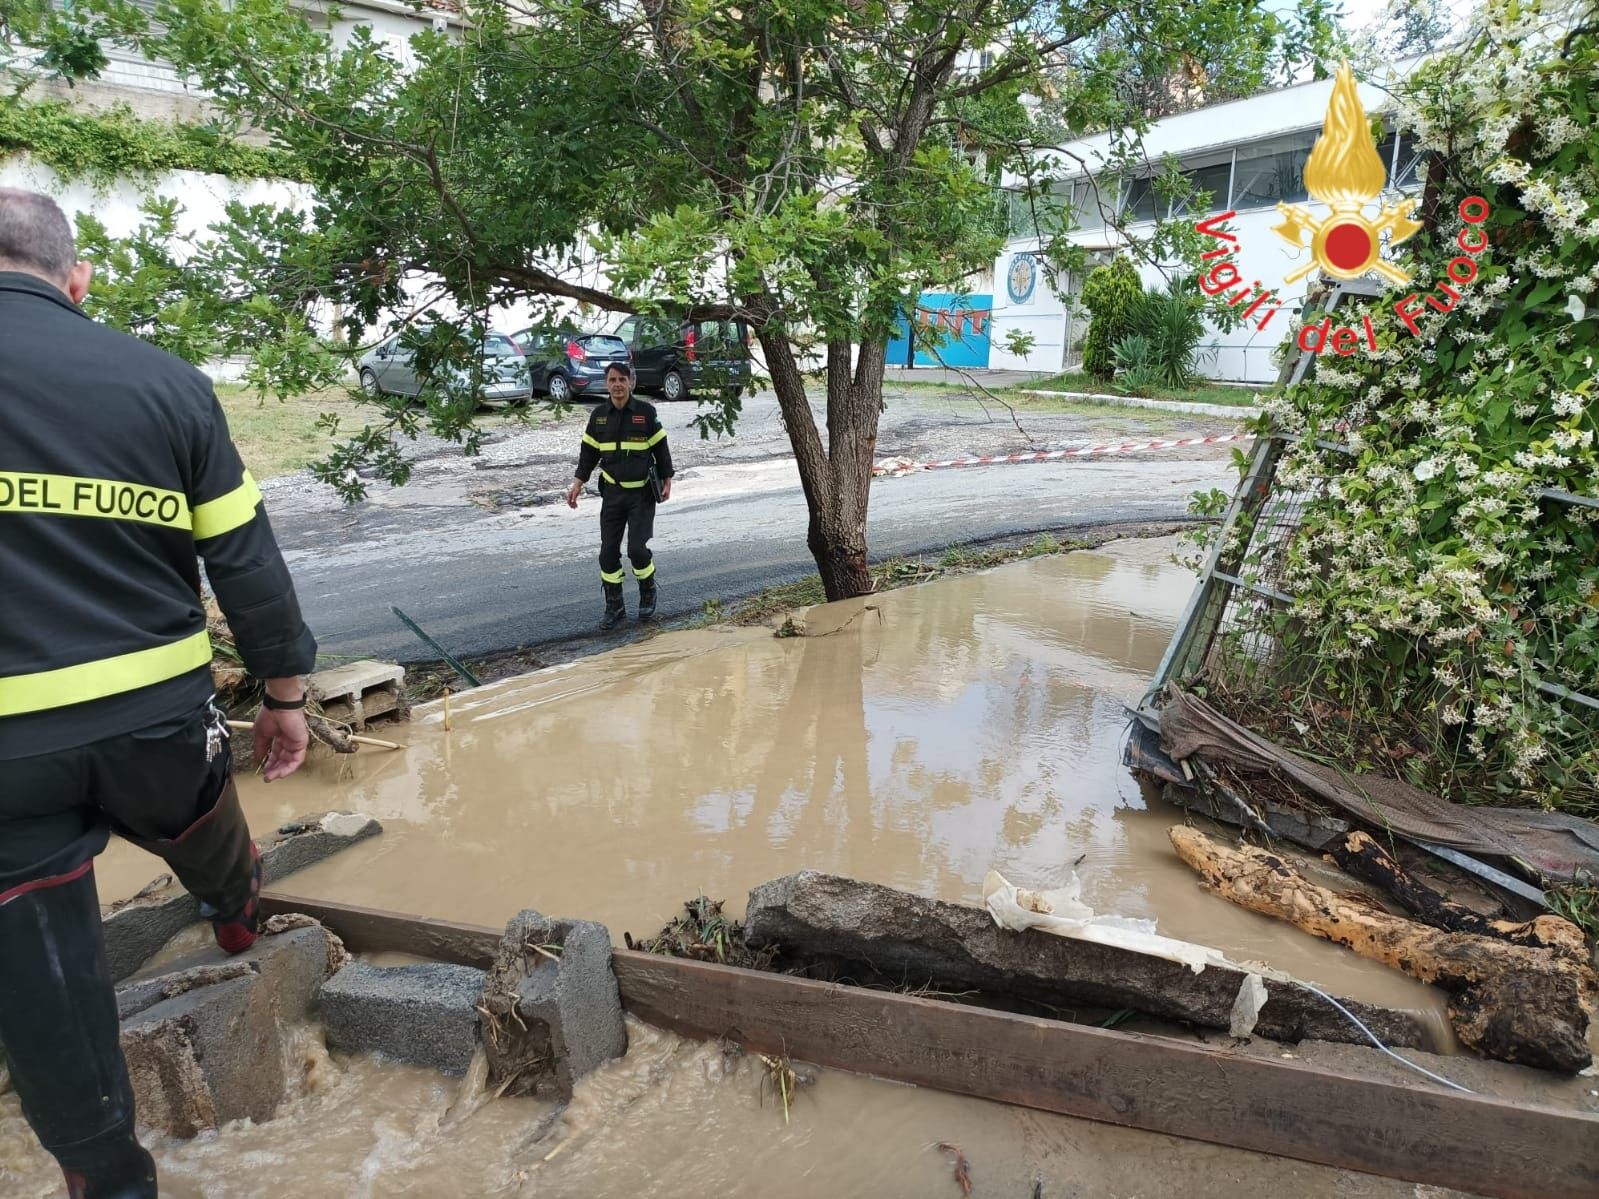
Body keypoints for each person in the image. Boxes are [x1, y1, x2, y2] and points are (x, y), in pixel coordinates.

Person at [0, 188, 317, 1198]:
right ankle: (233, 908)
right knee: (205, 823)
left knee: (45, 964)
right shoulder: (167, 383)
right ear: (77, 278)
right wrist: (284, 693)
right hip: (156, 724)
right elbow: (248, 563)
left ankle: (107, 1174)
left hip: (6, 758)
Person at [565, 361, 674, 628]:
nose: (617, 385)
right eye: (612, 380)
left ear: (631, 383)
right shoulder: (599, 416)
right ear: (607, 384)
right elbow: (588, 454)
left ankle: (647, 591)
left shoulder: (646, 413)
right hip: (612, 494)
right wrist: (578, 483)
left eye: (622, 380)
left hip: (641, 495)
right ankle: (614, 607)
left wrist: (667, 478)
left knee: (637, 550)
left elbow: (661, 449)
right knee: (607, 554)